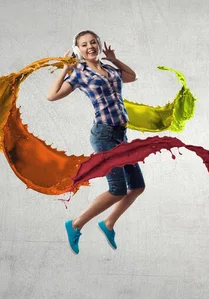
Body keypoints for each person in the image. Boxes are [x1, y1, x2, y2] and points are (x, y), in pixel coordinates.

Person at [47, 30, 146, 254]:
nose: (90, 47)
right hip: (104, 135)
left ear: (99, 45)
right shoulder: (79, 73)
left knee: (137, 186)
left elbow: (132, 76)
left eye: (93, 42)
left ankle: (108, 223)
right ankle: (75, 224)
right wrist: (65, 67)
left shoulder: (110, 69)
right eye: (84, 45)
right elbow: (52, 96)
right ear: (78, 50)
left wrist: (113, 59)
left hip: (121, 135)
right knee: (118, 189)